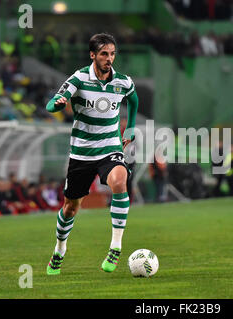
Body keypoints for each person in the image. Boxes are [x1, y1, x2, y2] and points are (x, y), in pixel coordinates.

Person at [44, 33, 139, 275]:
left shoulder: (123, 82)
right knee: (70, 208)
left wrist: (130, 127)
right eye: (105, 54)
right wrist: (58, 103)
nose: (110, 58)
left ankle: (115, 247)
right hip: (82, 154)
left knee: (120, 180)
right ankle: (59, 249)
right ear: (93, 55)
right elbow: (51, 104)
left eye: (113, 53)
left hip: (110, 148)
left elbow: (134, 100)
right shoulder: (78, 78)